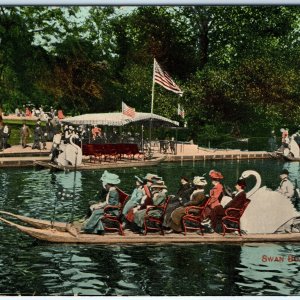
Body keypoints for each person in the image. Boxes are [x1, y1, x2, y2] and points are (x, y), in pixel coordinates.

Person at [82, 171, 121, 235]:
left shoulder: (113, 192)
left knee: (96, 212)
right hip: (109, 208)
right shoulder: (111, 190)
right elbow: (108, 202)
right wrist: (100, 205)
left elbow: (110, 205)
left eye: (106, 184)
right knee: (95, 208)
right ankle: (99, 229)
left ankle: (88, 228)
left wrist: (99, 206)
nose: (105, 185)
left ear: (109, 184)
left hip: (112, 211)